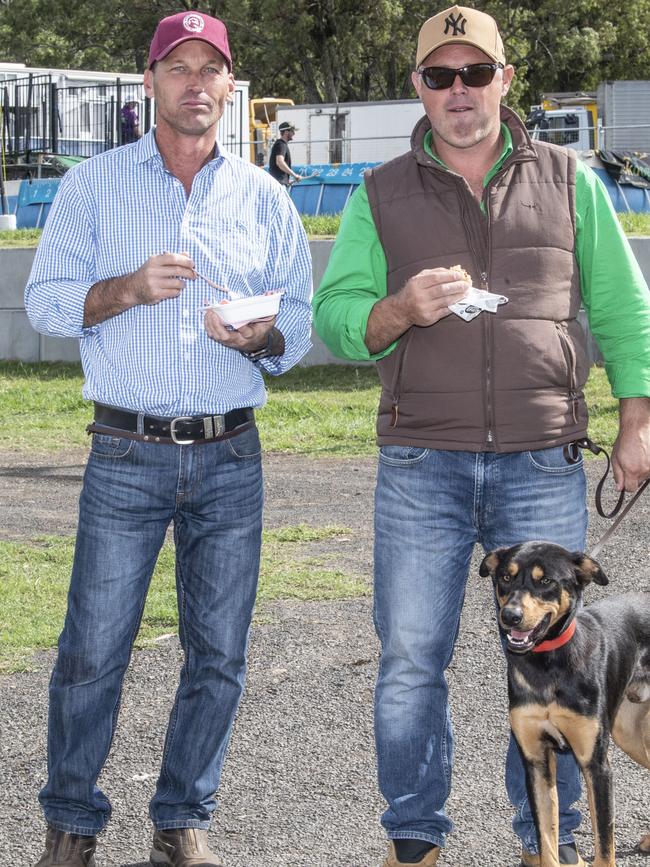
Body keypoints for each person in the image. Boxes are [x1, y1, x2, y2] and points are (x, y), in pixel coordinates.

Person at [312, 5, 650, 867]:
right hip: (421, 461)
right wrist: (396, 309)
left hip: (542, 459)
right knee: (411, 663)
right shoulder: (377, 192)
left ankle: (551, 843)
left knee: (560, 665)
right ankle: (415, 840)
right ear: (419, 89)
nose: (458, 92)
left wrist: (637, 419)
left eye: (474, 73)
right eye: (439, 76)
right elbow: (337, 319)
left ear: (505, 80)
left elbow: (621, 309)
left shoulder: (573, 178)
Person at [25, 10, 312, 867]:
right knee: (91, 651)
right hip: (126, 451)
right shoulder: (91, 185)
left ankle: (182, 818)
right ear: (148, 82)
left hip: (230, 453)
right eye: (176, 66)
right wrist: (125, 288)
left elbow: (296, 329)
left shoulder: (263, 196)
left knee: (219, 653)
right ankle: (72, 824)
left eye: (209, 69)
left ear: (230, 88)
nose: (194, 82)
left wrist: (257, 337)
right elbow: (45, 304)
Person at [269, 121, 303, 186]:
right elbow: (280, 162)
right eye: (292, 131)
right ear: (286, 132)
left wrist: (287, 180)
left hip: (278, 182)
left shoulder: (281, 144)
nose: (294, 133)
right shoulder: (281, 144)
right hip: (278, 183)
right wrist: (294, 175)